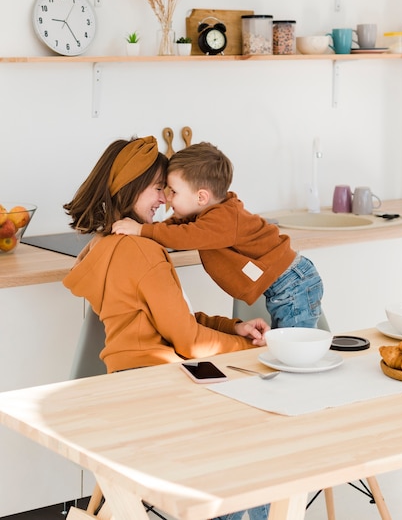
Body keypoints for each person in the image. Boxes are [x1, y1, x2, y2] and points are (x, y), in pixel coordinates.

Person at [63, 135, 270, 520]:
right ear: (131, 186)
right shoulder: (142, 250)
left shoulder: (103, 246)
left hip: (124, 388)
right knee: (263, 438)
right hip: (159, 391)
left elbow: (169, 322)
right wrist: (255, 350)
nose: (165, 200)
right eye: (159, 188)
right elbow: (189, 342)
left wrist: (232, 327)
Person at [112, 141, 324, 330]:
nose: (167, 198)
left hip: (294, 283)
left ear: (201, 197)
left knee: (295, 348)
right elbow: (178, 225)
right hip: (286, 284)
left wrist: (142, 230)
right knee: (287, 346)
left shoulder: (223, 219)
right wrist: (148, 230)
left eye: (173, 192)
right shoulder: (208, 214)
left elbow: (187, 236)